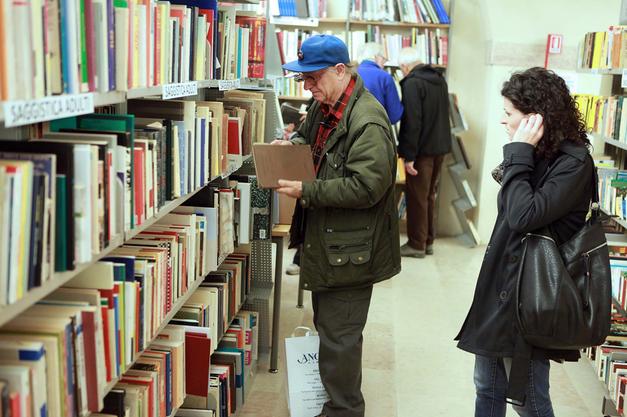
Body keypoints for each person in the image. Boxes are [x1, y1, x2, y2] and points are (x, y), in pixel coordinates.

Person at [272, 34, 401, 417]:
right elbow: (308, 137)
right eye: (304, 80)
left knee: (340, 340)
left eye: (313, 78)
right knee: (330, 333)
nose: (308, 88)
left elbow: (368, 187)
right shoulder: (328, 106)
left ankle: (344, 411)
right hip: (331, 245)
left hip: (352, 251)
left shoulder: (368, 121)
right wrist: (292, 144)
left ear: (340, 70)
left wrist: (307, 190)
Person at [455, 67, 594, 417]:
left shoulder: (573, 163)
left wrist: (519, 150)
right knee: (486, 387)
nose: (504, 122)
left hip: (530, 295)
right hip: (502, 285)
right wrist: (522, 153)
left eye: (509, 114)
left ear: (534, 119)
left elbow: (523, 215)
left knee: (527, 398)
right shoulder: (537, 153)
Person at [397, 47, 452, 258]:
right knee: (429, 196)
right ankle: (428, 240)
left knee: (417, 197)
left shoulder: (412, 83)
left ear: (405, 66)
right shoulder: (439, 80)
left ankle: (416, 244)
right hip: (440, 148)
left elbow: (412, 122)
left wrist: (409, 156)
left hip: (421, 151)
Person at [356, 42, 403, 124]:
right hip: (377, 129)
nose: (384, 64)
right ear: (376, 57)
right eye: (384, 59)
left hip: (351, 129)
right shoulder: (385, 77)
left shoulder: (351, 73)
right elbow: (394, 116)